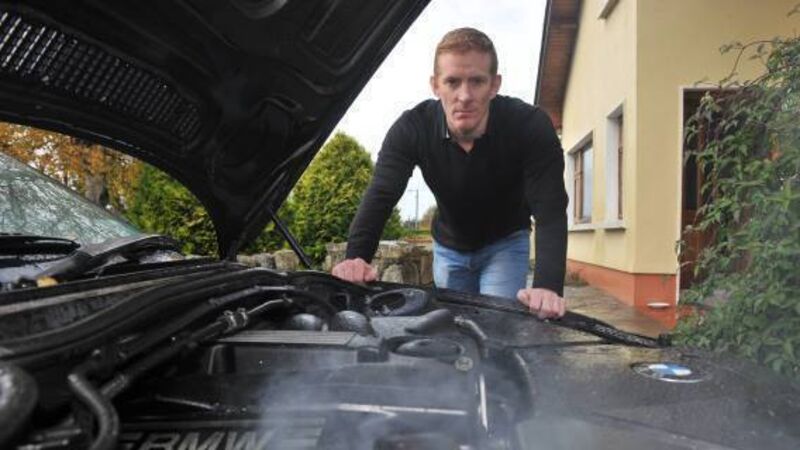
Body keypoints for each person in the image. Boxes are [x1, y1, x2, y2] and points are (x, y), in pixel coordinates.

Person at [332, 28, 568, 319]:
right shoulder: (411, 129)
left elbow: (550, 208)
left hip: (505, 243)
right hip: (448, 247)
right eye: (452, 82)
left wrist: (547, 286)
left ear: (494, 85)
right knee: (454, 325)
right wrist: (356, 258)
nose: (464, 96)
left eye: (477, 81)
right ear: (435, 85)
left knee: (498, 325)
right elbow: (382, 193)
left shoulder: (529, 126)